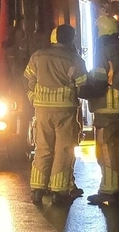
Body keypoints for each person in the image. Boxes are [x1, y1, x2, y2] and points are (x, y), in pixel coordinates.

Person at [25, 24, 89, 205]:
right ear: (72, 38)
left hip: (42, 109)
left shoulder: (38, 56)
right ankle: (59, 191)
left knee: (43, 148)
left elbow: (28, 79)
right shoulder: (75, 60)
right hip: (65, 110)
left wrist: (34, 95)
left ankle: (37, 189)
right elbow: (83, 87)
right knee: (63, 150)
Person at [84, 15, 119, 205]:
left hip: (106, 110)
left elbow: (99, 80)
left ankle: (109, 188)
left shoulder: (102, 52)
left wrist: (85, 91)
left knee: (105, 149)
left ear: (102, 33)